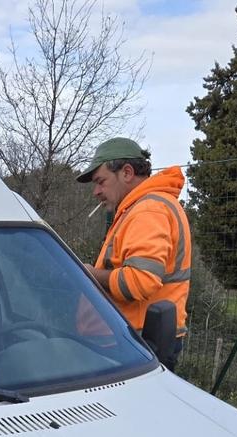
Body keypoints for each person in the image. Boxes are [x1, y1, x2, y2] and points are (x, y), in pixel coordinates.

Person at [76, 137, 192, 371]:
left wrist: (90, 273)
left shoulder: (148, 210)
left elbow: (139, 281)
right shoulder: (143, 207)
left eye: (101, 181)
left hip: (139, 344)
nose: (96, 191)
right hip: (138, 340)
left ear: (127, 172)